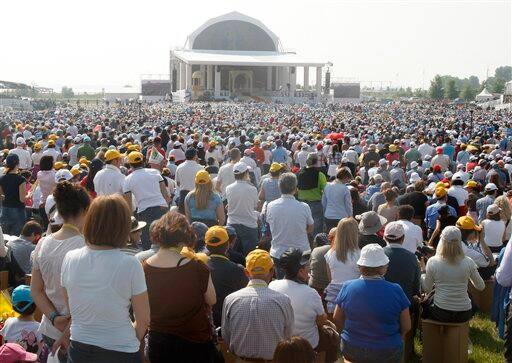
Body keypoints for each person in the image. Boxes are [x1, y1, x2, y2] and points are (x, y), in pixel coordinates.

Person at [61, 195, 149, 362]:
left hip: (79, 347)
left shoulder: (70, 258)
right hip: (120, 349)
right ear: (123, 226)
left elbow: (72, 306)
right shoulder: (130, 264)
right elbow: (143, 318)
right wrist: (130, 341)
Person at [143, 212, 218, 362]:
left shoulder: (144, 268)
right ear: (186, 237)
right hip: (195, 342)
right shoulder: (197, 267)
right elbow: (211, 300)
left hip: (159, 343)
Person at [31, 181, 90, 363]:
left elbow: (36, 290)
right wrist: (67, 328)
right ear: (84, 210)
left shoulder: (43, 242)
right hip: (78, 333)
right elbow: (88, 298)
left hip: (49, 327)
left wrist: (55, 318)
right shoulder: (86, 246)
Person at [332, 244, 411, 363]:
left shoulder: (347, 287)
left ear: (360, 266)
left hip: (352, 348)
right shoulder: (396, 290)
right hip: (387, 350)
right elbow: (406, 326)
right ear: (383, 267)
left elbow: (337, 318)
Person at [222, 249, 293, 361]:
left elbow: (226, 335)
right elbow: (288, 335)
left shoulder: (230, 299)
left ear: (246, 272)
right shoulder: (283, 300)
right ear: (272, 271)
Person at [269, 248, 338, 362]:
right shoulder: (311, 293)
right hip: (308, 344)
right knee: (329, 335)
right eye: (307, 268)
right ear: (300, 272)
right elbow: (322, 320)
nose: (309, 271)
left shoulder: (272, 286)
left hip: (280, 343)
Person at [423, 226, 485, 322]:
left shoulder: (433, 262)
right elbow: (481, 286)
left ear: (441, 241)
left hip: (440, 311)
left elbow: (427, 289)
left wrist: (423, 276)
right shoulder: (468, 262)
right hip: (464, 313)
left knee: (425, 304)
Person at [123, 151, 171, 250]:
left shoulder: (128, 179)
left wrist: (132, 219)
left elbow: (128, 203)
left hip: (144, 211)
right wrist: (166, 207)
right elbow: (165, 194)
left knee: (148, 243)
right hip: (161, 207)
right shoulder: (155, 172)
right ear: (143, 161)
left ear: (130, 164)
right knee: (165, 239)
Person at [266, 172, 314, 270]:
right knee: (301, 283)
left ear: (280, 187)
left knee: (281, 284)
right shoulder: (304, 207)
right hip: (301, 252)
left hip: (278, 253)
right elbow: (310, 228)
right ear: (295, 188)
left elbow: (270, 225)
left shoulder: (271, 206)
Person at [204, 226, 248, 328]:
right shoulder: (238, 270)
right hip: (230, 323)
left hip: (206, 323)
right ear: (228, 245)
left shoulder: (198, 267)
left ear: (206, 246)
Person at [324, 218, 361, 314]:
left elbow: (330, 278)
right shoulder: (360, 254)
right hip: (354, 298)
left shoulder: (329, 253)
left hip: (334, 299)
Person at [382, 222, 421, 305]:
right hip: (404, 302)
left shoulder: (378, 253)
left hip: (382, 301)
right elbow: (416, 287)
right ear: (403, 238)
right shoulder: (412, 257)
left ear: (384, 237)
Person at [225, 162, 259, 256]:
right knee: (250, 255)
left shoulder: (229, 188)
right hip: (249, 224)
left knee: (232, 255)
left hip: (232, 223)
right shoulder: (252, 189)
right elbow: (255, 205)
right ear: (246, 173)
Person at [0, 285, 43, 355]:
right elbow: (39, 351)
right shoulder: (39, 327)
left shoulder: (8, 322)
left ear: (14, 307)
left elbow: (3, 346)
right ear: (36, 304)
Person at [297, 154, 327, 236]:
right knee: (316, 229)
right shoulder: (320, 175)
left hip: (301, 203)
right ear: (317, 162)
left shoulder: (299, 173)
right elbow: (325, 190)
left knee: (302, 227)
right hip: (315, 204)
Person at [0, 154, 27, 235]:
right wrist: (28, 195)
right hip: (18, 210)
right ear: (17, 164)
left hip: (5, 209)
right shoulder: (21, 179)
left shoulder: (1, 178)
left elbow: (1, 196)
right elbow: (22, 199)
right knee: (15, 237)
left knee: (5, 236)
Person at [175, 148, 204, 213]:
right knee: (196, 217)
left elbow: (178, 183)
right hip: (196, 195)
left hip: (183, 195)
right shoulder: (200, 168)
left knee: (183, 219)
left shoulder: (179, 167)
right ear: (195, 156)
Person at [308, 230, 334, 296]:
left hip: (316, 287)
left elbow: (309, 268)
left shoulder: (315, 251)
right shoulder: (335, 250)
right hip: (331, 287)